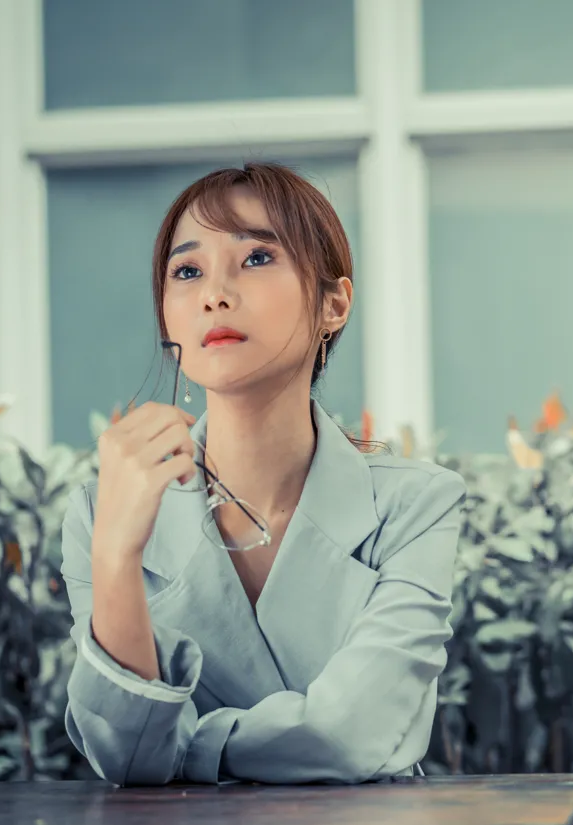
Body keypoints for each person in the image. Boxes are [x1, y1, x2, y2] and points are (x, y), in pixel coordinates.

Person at [58, 162, 466, 786]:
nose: (214, 294)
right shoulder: (99, 513)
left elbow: (346, 737)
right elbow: (124, 757)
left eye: (255, 258)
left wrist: (185, 746)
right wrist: (116, 554)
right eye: (187, 271)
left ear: (333, 304)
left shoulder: (415, 504)